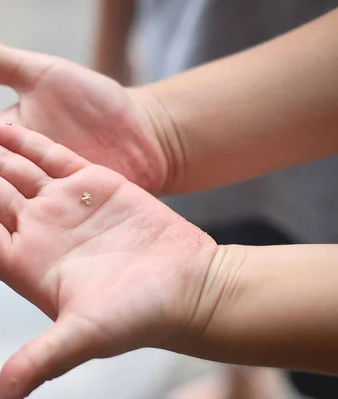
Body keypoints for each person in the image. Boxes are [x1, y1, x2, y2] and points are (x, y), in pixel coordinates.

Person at [0, 7, 338, 399]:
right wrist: (158, 127)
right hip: (209, 113)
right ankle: (242, 386)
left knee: (310, 374)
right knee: (230, 230)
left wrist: (212, 293)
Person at [90, 1, 338, 398]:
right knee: (217, 238)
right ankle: (240, 386)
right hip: (183, 93)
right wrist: (132, 98)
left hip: (320, 184)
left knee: (315, 370)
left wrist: (160, 125)